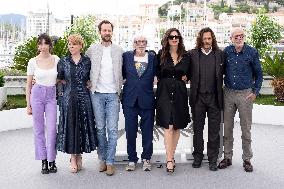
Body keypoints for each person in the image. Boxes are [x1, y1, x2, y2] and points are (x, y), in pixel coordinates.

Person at [218, 28, 263, 172]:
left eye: (241, 36)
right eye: (236, 36)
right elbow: (221, 71)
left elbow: (259, 74)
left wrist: (255, 92)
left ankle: (247, 159)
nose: (239, 38)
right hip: (229, 93)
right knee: (227, 128)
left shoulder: (252, 52)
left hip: (246, 94)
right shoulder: (227, 52)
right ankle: (227, 157)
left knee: (246, 129)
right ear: (231, 38)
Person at [86, 20, 123, 176]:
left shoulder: (119, 50)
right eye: (104, 30)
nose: (107, 33)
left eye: (109, 30)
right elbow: (83, 66)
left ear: (112, 32)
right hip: (97, 95)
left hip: (113, 95)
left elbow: (126, 70)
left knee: (113, 130)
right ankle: (102, 158)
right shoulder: (92, 50)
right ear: (99, 32)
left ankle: (110, 162)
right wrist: (87, 81)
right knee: (100, 129)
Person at [56, 34, 97, 173]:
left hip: (84, 97)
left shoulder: (87, 61)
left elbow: (91, 77)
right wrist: (61, 96)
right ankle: (73, 158)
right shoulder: (63, 61)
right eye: (69, 44)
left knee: (82, 127)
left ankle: (79, 155)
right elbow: (59, 79)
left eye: (74, 44)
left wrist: (90, 83)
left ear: (80, 45)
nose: (71, 46)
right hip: (69, 98)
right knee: (71, 127)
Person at [189, 27, 224, 171]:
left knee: (214, 131)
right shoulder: (192, 54)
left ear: (212, 39)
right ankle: (198, 156)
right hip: (198, 98)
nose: (207, 41)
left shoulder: (220, 55)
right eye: (204, 39)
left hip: (214, 98)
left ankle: (213, 159)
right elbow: (183, 70)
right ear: (200, 40)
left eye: (209, 38)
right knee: (197, 130)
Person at [156, 28, 190, 173]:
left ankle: (172, 156)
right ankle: (169, 159)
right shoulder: (161, 55)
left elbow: (191, 73)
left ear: (180, 39)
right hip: (164, 93)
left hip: (180, 93)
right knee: (168, 127)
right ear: (167, 39)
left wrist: (187, 77)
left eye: (176, 37)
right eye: (171, 37)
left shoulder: (186, 56)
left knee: (176, 126)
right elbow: (156, 73)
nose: (174, 39)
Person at [122, 35, 157, 171]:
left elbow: (159, 74)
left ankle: (146, 158)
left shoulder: (153, 58)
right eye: (138, 42)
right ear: (133, 43)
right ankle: (132, 159)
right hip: (130, 100)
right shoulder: (126, 57)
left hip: (147, 99)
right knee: (130, 131)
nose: (140, 44)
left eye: (143, 42)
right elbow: (121, 74)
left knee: (147, 131)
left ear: (147, 44)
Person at [26, 33, 59, 174]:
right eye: (40, 43)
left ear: (50, 45)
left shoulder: (56, 59)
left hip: (51, 95)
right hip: (37, 95)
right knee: (38, 129)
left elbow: (61, 77)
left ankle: (52, 160)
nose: (43, 46)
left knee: (52, 129)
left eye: (46, 43)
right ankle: (43, 161)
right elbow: (28, 84)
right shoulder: (32, 61)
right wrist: (28, 104)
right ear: (38, 46)